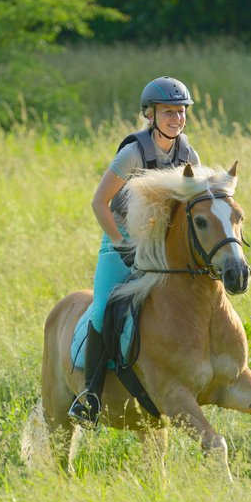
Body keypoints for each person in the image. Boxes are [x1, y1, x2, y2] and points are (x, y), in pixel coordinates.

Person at [68, 76, 200, 427]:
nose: (177, 118)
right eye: (169, 111)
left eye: (181, 111)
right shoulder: (133, 152)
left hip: (160, 244)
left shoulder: (188, 153)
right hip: (121, 239)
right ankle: (90, 396)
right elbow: (100, 202)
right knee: (102, 310)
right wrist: (120, 243)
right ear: (151, 114)